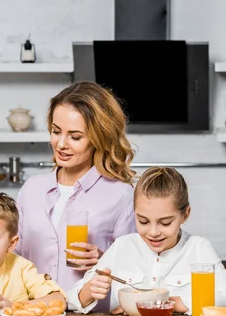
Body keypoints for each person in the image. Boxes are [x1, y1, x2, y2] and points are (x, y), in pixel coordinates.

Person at [15, 81, 137, 299]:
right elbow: (13, 259)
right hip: (33, 315)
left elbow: (137, 273)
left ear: (99, 138)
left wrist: (103, 260)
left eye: (75, 136)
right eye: (56, 131)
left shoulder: (121, 195)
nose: (61, 144)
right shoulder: (32, 190)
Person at [67, 167, 226, 314]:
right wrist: (89, 291)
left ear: (185, 215)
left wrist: (171, 303)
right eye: (143, 221)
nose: (153, 232)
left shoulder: (198, 248)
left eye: (165, 223)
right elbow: (71, 300)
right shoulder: (122, 247)